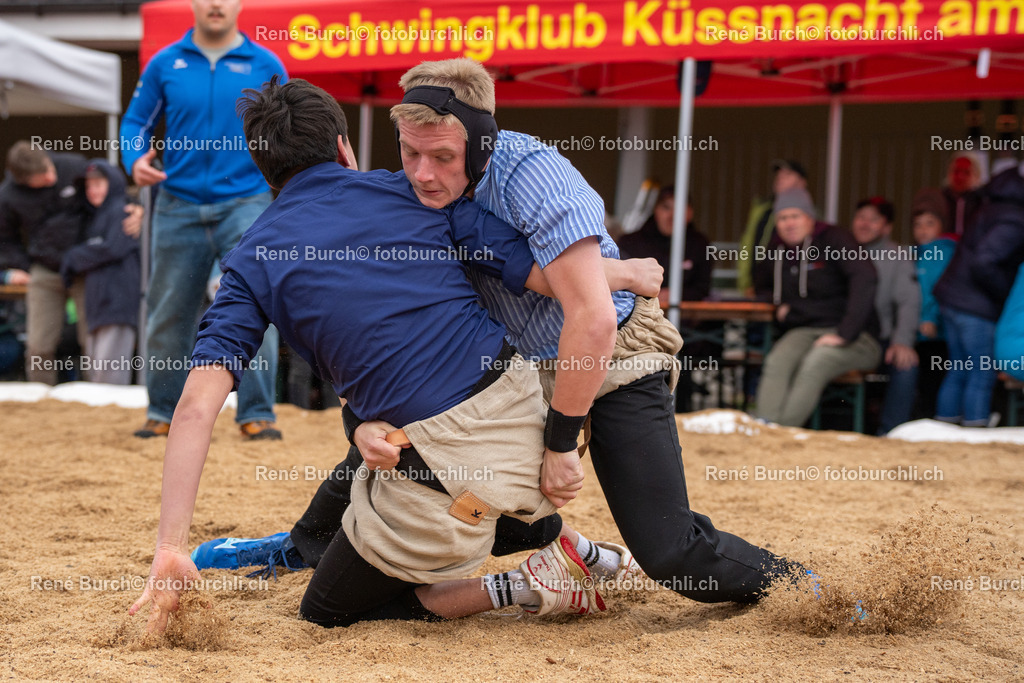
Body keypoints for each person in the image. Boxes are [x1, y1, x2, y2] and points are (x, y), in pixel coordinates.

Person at [131, 77, 659, 630]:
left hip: (448, 461)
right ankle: (587, 553)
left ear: (263, 174)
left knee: (328, 607)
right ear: (343, 147)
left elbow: (194, 407)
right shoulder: (416, 196)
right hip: (525, 419)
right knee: (369, 459)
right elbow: (546, 275)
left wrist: (171, 544)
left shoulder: (250, 259)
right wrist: (623, 271)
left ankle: (530, 584)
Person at [272, 58, 804, 607]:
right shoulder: (415, 192)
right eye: (410, 153)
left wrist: (560, 443)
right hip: (520, 373)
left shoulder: (535, 174)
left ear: (481, 146)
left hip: (610, 357)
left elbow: (591, 319)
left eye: (442, 157)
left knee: (670, 552)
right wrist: (358, 419)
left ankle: (809, 587)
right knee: (396, 451)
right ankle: (300, 547)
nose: (422, 174)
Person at [120, 0, 284, 440]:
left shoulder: (266, 63)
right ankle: (162, 410)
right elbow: (135, 121)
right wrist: (134, 158)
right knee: (168, 309)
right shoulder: (164, 62)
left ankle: (257, 413)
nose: (216, 4)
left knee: (258, 304)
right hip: (177, 202)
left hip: (246, 202)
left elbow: (288, 129)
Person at [752, 188, 881, 428]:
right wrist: (779, 304)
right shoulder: (776, 249)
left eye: (795, 216)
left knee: (816, 362)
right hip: (805, 331)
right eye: (782, 218)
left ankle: (782, 432)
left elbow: (865, 277)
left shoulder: (834, 238)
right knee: (777, 360)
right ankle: (764, 426)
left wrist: (844, 333)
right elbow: (760, 285)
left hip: (858, 337)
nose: (789, 223)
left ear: (810, 218)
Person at [933, 166, 1024, 426]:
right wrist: (1004, 294)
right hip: (975, 306)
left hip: (953, 298)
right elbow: (984, 262)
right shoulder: (1015, 219)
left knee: (959, 369)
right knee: (981, 372)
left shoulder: (992, 206)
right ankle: (975, 435)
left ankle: (943, 430)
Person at [0, 141, 89, 384]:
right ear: (23, 180)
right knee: (39, 345)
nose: (51, 177)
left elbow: (108, 195)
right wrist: (23, 266)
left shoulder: (73, 166)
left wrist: (134, 208)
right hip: (44, 268)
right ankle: (40, 398)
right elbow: (5, 239)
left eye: (49, 168)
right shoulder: (8, 196)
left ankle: (97, 393)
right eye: (42, 176)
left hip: (85, 266)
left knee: (91, 340)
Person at [58, 161, 140, 385]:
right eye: (88, 186)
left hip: (117, 305)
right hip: (98, 308)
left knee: (109, 378)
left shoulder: (123, 210)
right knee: (97, 374)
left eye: (98, 183)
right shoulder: (94, 217)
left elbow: (113, 247)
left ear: (113, 183)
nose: (92, 190)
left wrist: (72, 258)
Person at [849, 197, 921, 435]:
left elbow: (909, 301)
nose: (865, 224)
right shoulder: (840, 251)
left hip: (881, 339)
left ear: (887, 227)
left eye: (874, 219)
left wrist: (902, 341)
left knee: (906, 366)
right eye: (861, 217)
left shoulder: (897, 256)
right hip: (844, 337)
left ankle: (892, 435)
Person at [617, 185, 712, 304]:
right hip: (636, 314)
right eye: (666, 207)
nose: (672, 216)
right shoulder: (630, 242)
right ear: (656, 210)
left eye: (680, 209)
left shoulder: (700, 244)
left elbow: (703, 289)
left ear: (690, 213)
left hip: (685, 318)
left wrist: (676, 294)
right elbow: (619, 283)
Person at [909, 192, 957, 419]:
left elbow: (937, 290)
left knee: (933, 379)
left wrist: (929, 317)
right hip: (925, 332)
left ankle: (935, 421)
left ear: (942, 226)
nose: (922, 230)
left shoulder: (940, 252)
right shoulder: (920, 253)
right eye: (917, 225)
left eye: (930, 223)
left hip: (935, 333)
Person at [736, 160, 809, 298]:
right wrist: (746, 282)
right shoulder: (762, 210)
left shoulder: (810, 215)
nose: (780, 179)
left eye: (787, 175)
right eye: (778, 175)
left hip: (792, 290)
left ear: (802, 182)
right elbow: (748, 245)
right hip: (759, 287)